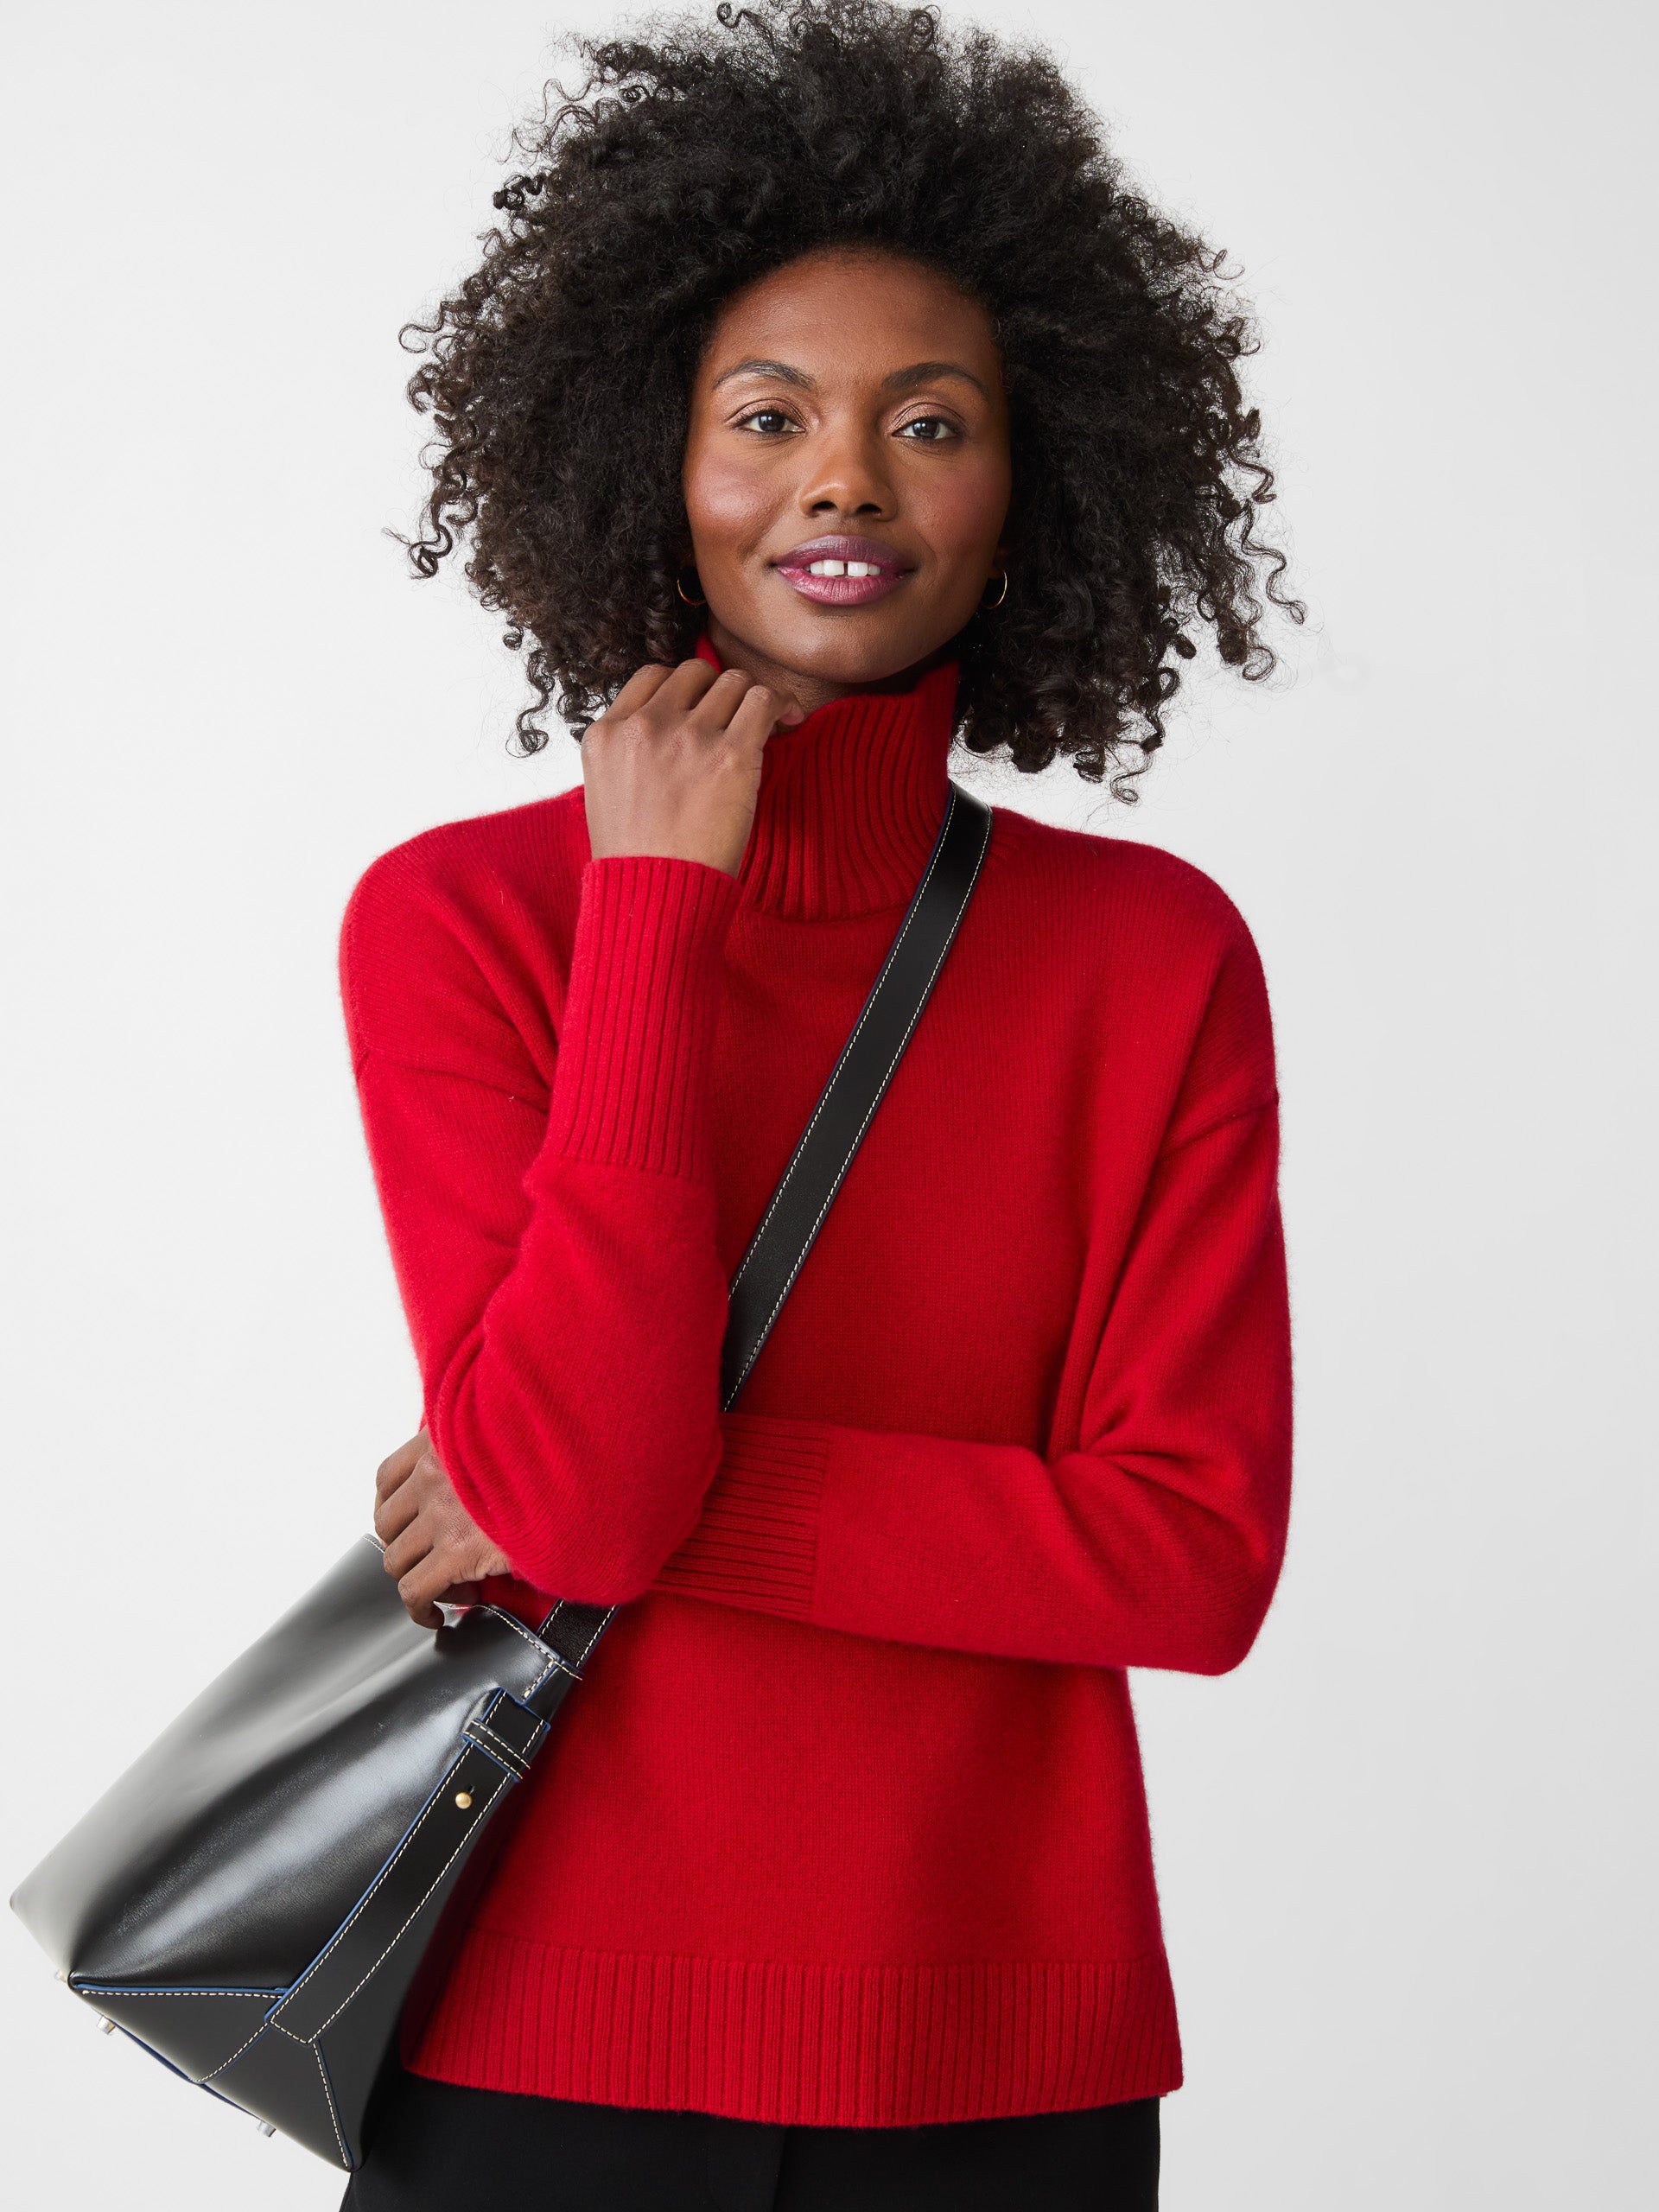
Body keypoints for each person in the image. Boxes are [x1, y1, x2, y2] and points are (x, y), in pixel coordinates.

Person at [340, 3, 1297, 2204]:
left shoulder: (1152, 960)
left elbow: (1194, 1549)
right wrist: (660, 898)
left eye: (927, 421)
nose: (844, 477)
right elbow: (573, 1496)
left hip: (1002, 2063)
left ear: (1030, 479)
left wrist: (660, 1496)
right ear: (646, 457)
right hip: (528, 2048)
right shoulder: (464, 922)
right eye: (766, 415)